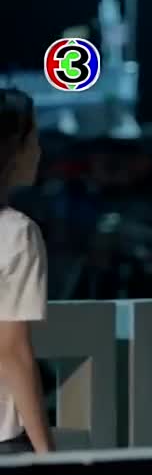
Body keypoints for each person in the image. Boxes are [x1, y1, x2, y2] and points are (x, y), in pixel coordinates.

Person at [0, 88, 53, 455]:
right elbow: (12, 352)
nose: (39, 151)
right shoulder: (16, 233)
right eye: (33, 139)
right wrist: (47, 454)